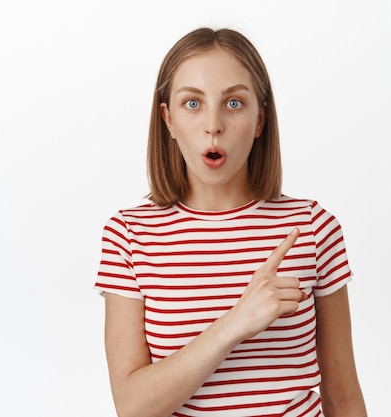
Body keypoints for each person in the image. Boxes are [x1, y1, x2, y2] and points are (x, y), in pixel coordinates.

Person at [94, 27, 367, 417]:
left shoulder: (313, 227)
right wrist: (235, 323)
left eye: (234, 103)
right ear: (167, 119)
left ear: (260, 119)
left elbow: (343, 395)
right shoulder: (129, 235)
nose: (213, 125)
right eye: (193, 103)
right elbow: (132, 407)